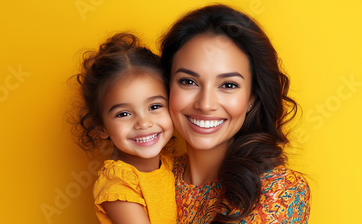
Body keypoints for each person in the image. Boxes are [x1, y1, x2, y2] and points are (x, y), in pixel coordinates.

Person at [160, 4, 311, 223]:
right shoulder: (151, 179)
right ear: (167, 88)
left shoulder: (280, 191)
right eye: (188, 81)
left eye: (228, 85)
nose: (205, 104)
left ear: (251, 98)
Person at [73, 32, 177, 223]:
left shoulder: (170, 165)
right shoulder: (118, 184)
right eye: (123, 114)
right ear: (101, 127)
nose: (143, 123)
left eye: (154, 107)